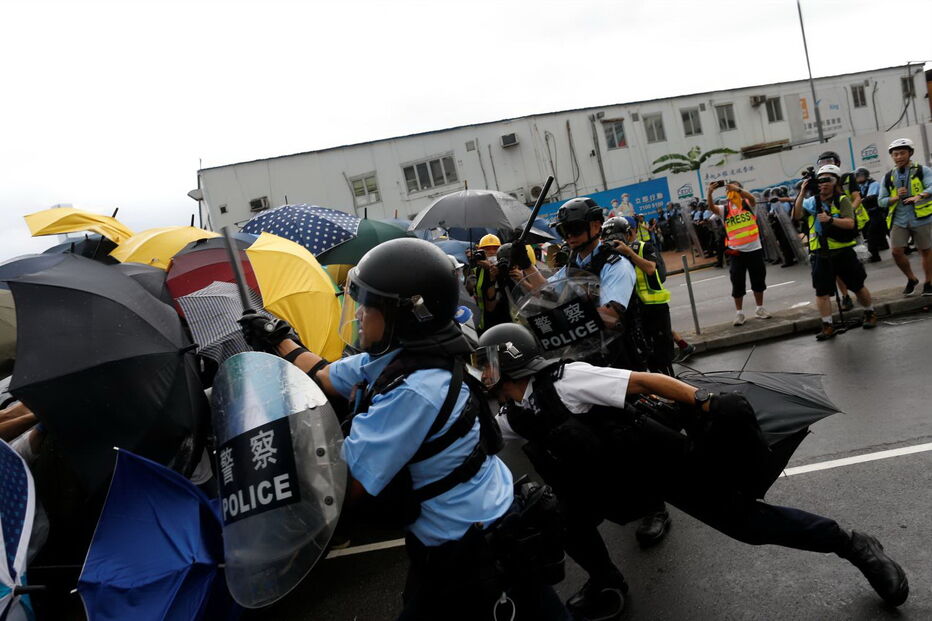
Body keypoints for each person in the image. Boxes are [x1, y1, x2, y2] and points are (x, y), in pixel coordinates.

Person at [476, 323, 910, 618]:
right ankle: (606, 582)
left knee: (749, 525)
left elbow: (644, 381)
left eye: (488, 363)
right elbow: (478, 440)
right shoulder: (513, 413)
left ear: (510, 363)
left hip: (661, 462)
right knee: (562, 517)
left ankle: (852, 545)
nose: (484, 372)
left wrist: (702, 400)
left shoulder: (567, 380)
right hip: (615, 485)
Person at [241, 238, 567, 621]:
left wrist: (273, 463)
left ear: (405, 315)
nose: (359, 314)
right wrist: (279, 338)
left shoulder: (414, 391)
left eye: (369, 306)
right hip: (470, 528)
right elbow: (326, 375)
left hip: (472, 549)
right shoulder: (407, 352)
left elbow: (348, 485)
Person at [793, 165, 878, 340]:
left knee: (857, 286)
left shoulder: (842, 200)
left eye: (828, 179)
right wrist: (802, 193)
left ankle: (870, 313)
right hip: (820, 252)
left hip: (843, 251)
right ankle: (827, 325)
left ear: (835, 182)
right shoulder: (812, 201)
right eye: (821, 180)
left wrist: (830, 219)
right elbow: (797, 215)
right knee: (821, 292)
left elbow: (850, 223)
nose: (824, 183)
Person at [602, 217, 674, 375]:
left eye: (617, 236)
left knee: (662, 355)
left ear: (628, 234)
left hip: (654, 309)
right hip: (632, 314)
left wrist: (629, 253)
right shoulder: (607, 255)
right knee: (640, 356)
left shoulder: (644, 247)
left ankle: (670, 383)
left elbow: (650, 269)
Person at [707, 180, 772, 326]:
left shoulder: (749, 205)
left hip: (754, 250)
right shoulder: (725, 209)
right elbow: (711, 207)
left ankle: (760, 309)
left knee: (758, 281)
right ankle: (739, 313)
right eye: (729, 190)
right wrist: (710, 192)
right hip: (736, 252)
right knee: (737, 283)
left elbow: (752, 198)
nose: (731, 192)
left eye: (734, 189)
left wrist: (738, 190)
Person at [878, 138, 932, 296]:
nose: (899, 157)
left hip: (921, 217)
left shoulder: (922, 170)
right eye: (895, 154)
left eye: (902, 153)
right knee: (896, 252)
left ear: (910, 153)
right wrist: (895, 197)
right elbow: (881, 201)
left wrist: (920, 196)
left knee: (926, 251)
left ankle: (929, 283)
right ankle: (911, 278)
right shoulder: (888, 176)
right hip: (899, 219)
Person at [467, 234, 511, 334]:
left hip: (506, 318)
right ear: (480, 251)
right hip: (484, 322)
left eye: (495, 248)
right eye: (487, 249)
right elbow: (470, 291)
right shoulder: (476, 270)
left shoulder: (505, 268)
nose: (491, 252)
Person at [855, 167, 887, 263]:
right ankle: (884, 246)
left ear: (866, 176)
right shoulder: (860, 186)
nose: (858, 178)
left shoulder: (873, 184)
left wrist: (857, 201)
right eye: (857, 176)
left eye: (860, 176)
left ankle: (874, 256)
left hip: (877, 212)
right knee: (882, 230)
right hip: (869, 213)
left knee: (871, 234)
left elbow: (869, 197)